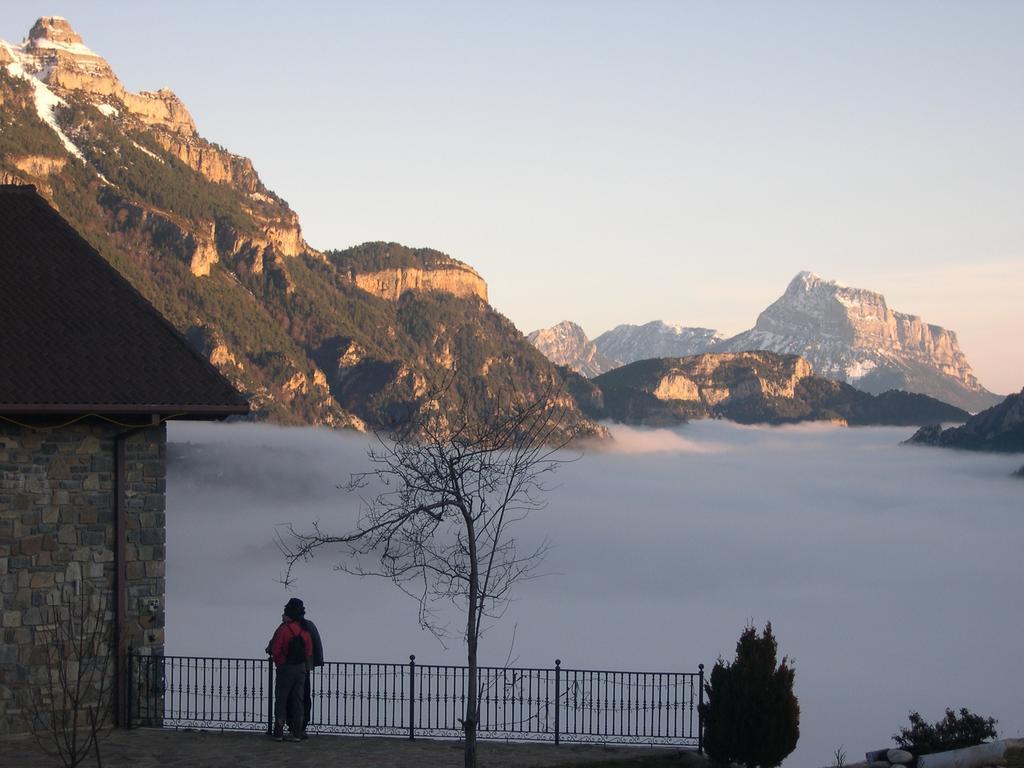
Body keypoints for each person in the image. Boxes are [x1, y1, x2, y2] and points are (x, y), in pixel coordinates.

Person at [268, 599, 313, 742]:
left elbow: (275, 649)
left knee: (281, 699)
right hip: (300, 669)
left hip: (286, 668)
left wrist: (280, 662)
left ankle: (279, 731)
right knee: (298, 700)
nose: (282, 617)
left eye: (284, 614)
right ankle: (296, 732)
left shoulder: (283, 629)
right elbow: (309, 650)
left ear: (289, 615)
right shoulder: (304, 630)